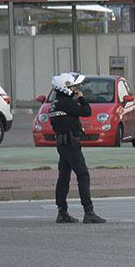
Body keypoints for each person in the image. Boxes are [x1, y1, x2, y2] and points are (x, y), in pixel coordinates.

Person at [48, 72, 105, 224]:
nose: (74, 89)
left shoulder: (54, 104)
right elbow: (87, 111)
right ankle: (89, 211)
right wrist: (81, 98)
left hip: (62, 144)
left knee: (64, 177)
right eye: (72, 87)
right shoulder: (67, 103)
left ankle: (62, 212)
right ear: (64, 87)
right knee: (83, 175)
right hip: (71, 145)